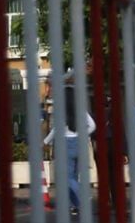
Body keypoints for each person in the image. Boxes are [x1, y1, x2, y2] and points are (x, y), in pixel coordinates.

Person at [43, 85, 95, 215]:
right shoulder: (80, 110)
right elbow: (93, 126)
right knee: (73, 177)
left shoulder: (61, 111)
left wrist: (44, 142)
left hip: (66, 145)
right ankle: (75, 205)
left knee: (67, 178)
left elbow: (56, 130)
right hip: (80, 144)